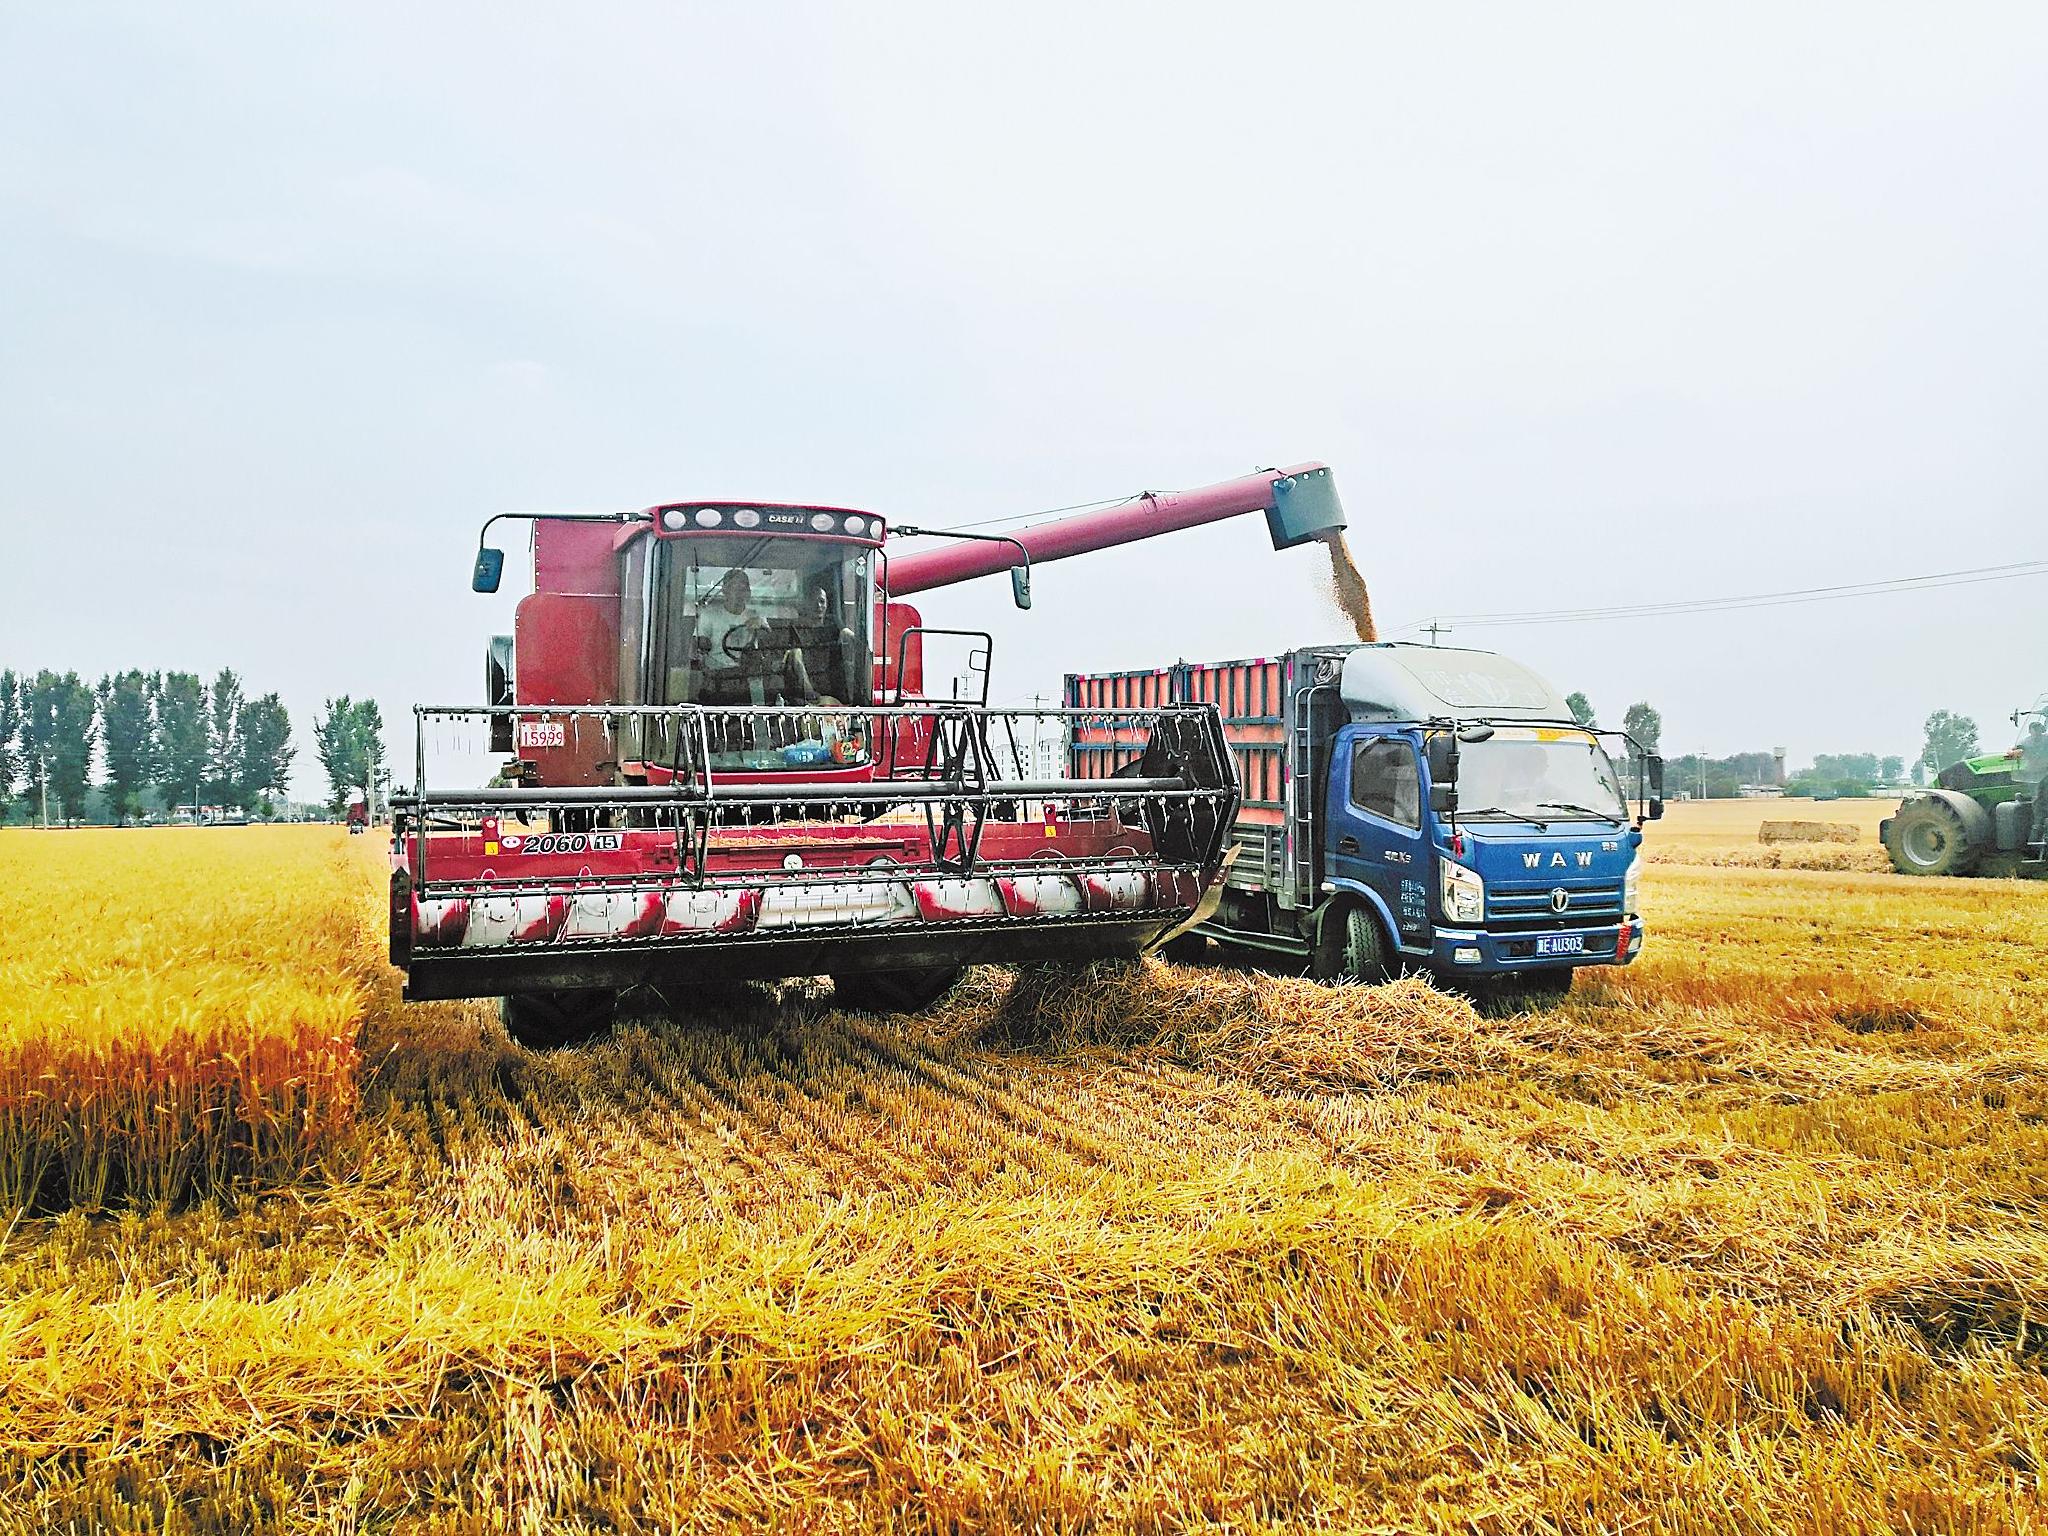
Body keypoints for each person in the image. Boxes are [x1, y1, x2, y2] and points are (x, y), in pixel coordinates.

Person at [695, 570, 767, 704]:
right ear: (724, 590)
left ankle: (759, 718)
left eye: (743, 588)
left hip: (748, 677)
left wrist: (762, 628)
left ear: (748, 592)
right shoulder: (709, 615)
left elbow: (773, 647)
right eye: (734, 587)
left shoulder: (756, 615)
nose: (738, 593)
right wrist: (702, 646)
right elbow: (697, 649)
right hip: (717, 676)